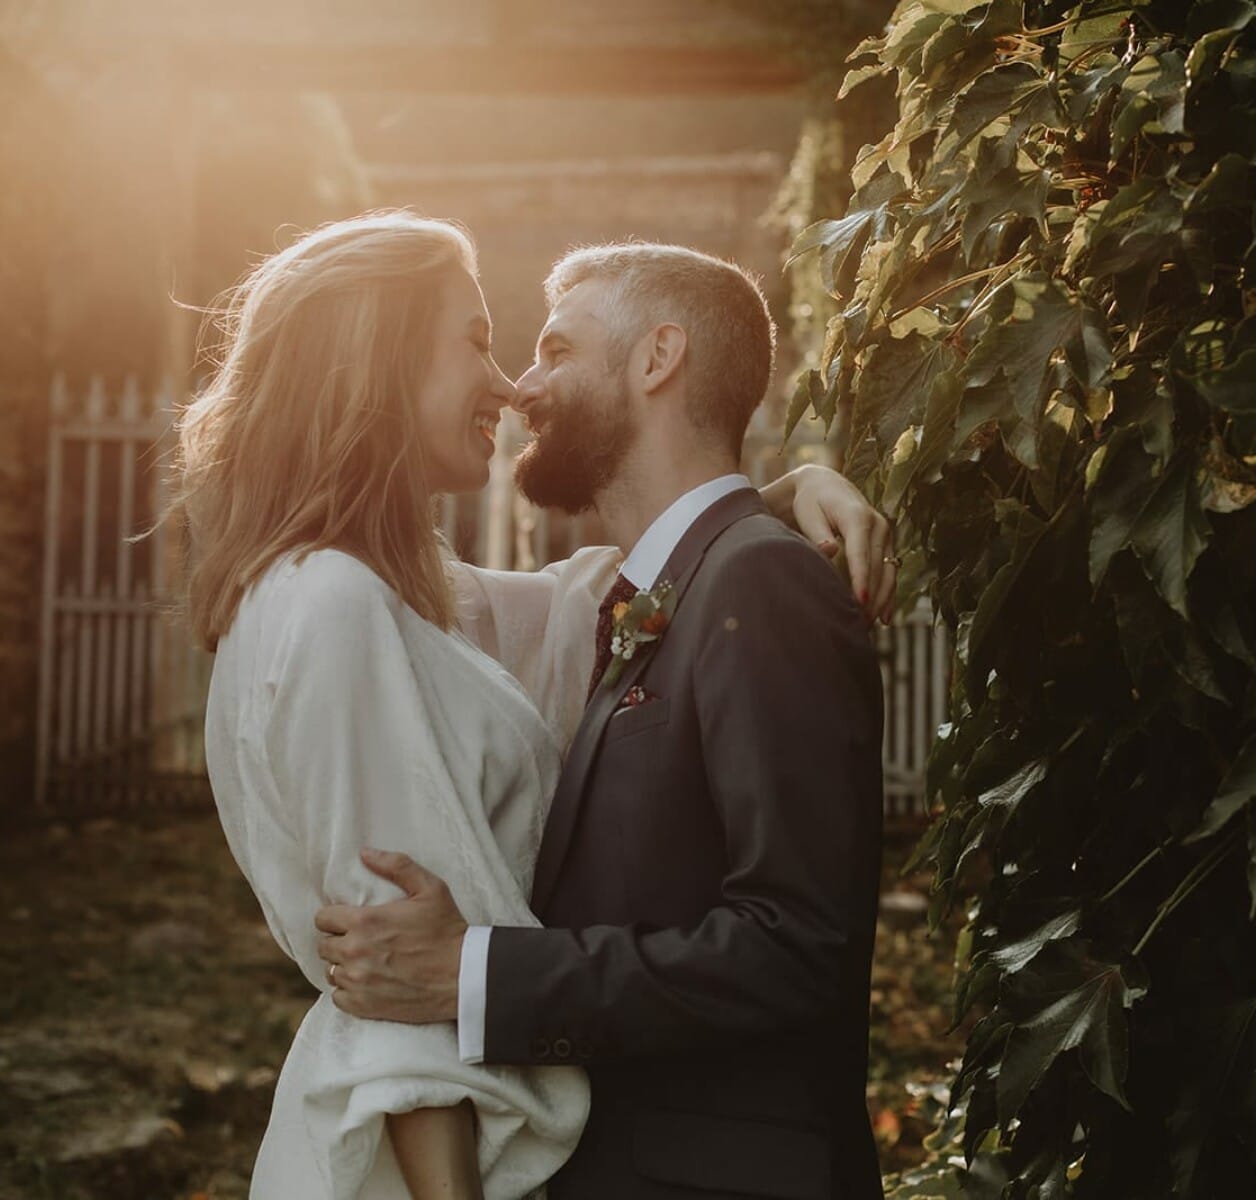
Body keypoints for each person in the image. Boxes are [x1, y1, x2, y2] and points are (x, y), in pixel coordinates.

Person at [181, 212, 893, 1199]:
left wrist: (764, 501)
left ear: (658, 359)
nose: (515, 382)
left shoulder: (410, 601)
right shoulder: (340, 602)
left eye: (550, 346)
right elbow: (395, 971)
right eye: (478, 340)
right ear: (379, 361)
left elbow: (605, 601)